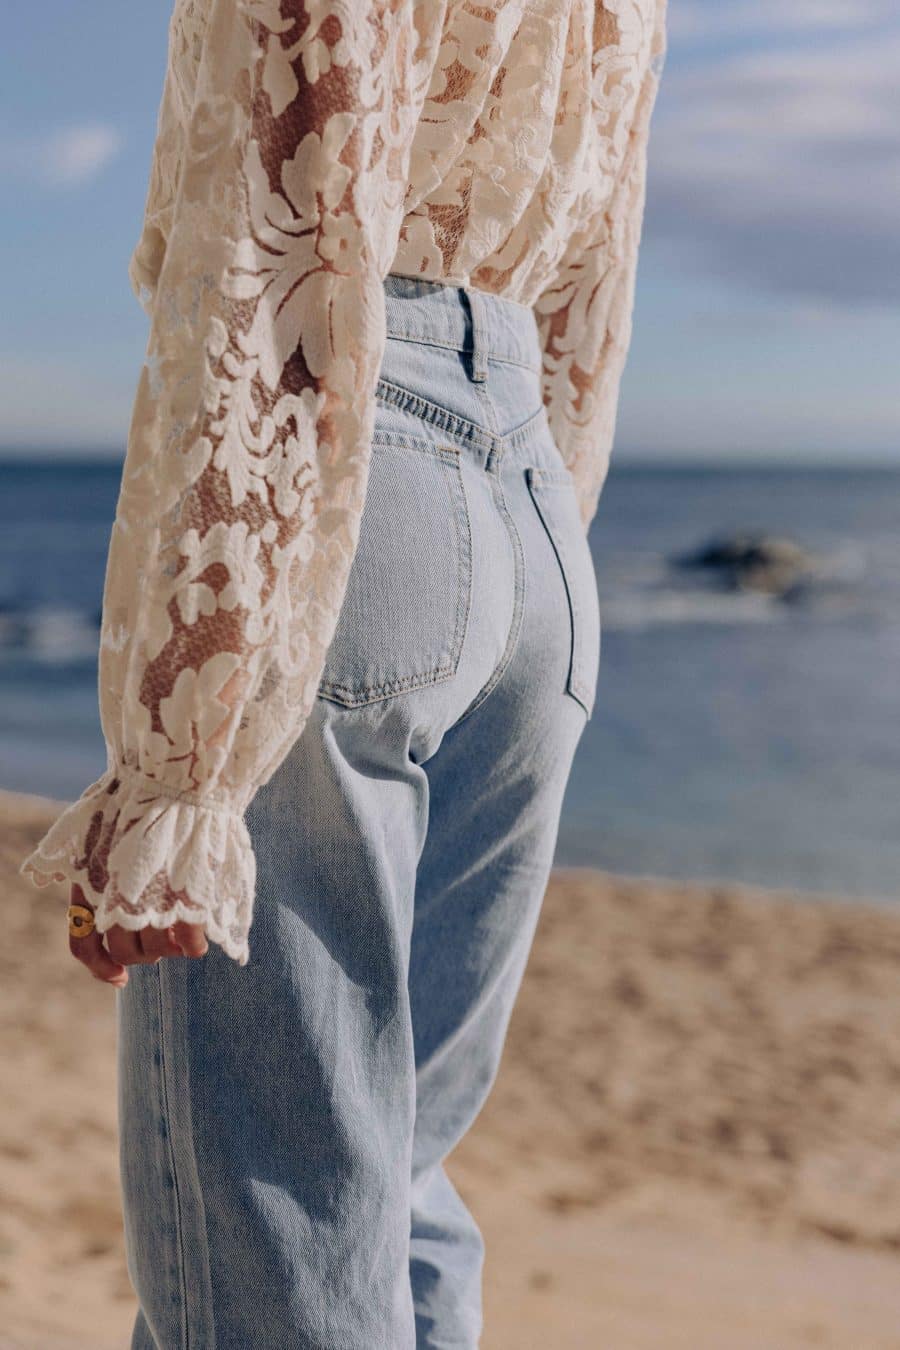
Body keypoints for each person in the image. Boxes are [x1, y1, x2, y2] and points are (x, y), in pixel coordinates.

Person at [20, 1, 667, 1345]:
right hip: (534, 508)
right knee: (399, 1183)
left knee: (285, 1244)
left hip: (353, 482)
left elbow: (279, 209)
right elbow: (602, 261)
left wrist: (185, 763)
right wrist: (524, 569)